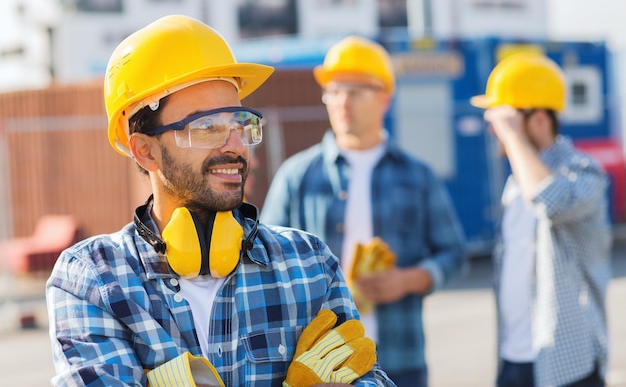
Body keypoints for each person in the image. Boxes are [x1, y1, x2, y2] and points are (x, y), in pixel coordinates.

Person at [45, 15, 396, 387]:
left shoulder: (309, 263)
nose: (235, 145)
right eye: (207, 127)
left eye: (241, 123)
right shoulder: (93, 280)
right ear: (145, 151)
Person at [260, 35, 467, 387]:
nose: (342, 102)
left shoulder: (417, 176)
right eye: (334, 91)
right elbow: (263, 263)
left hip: (400, 356)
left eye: (355, 91)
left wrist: (409, 280)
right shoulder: (297, 176)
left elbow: (454, 254)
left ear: (385, 97)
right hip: (319, 361)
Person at [470, 52, 612, 387]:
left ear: (538, 119)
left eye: (503, 119)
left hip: (567, 364)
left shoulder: (583, 171)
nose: (494, 131)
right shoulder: (516, 182)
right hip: (514, 359)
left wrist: (514, 137)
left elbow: (553, 202)